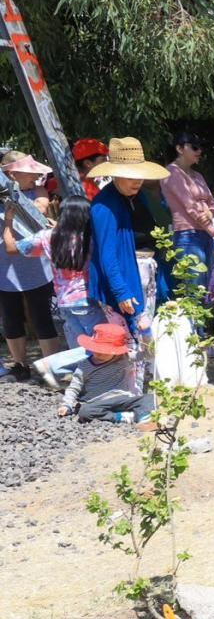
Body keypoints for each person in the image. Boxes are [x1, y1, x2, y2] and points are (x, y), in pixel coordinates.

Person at [5, 196, 118, 387]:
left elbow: (12, 248)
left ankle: (82, 385)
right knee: (101, 345)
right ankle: (52, 364)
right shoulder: (90, 237)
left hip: (64, 302)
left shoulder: (48, 236)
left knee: (81, 346)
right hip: (86, 300)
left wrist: (9, 221)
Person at [86, 138, 165, 342]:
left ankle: (143, 375)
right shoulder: (104, 206)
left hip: (144, 272)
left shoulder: (138, 197)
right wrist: (121, 291)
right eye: (131, 175)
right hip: (123, 279)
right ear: (115, 174)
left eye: (139, 175)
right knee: (127, 340)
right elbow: (107, 255)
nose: (137, 180)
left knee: (143, 336)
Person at [1, 153, 62, 379]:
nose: (37, 175)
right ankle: (19, 365)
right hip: (4, 266)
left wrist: (12, 196)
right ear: (12, 173)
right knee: (10, 316)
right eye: (31, 171)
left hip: (36, 264)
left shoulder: (38, 191)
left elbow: (40, 211)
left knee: (42, 315)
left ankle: (52, 368)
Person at [161, 130, 214, 299]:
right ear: (180, 149)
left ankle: (200, 327)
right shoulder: (171, 172)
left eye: (200, 147)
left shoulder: (197, 175)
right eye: (195, 147)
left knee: (205, 291)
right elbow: (191, 209)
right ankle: (193, 327)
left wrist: (210, 213)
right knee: (194, 293)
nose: (199, 151)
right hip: (187, 236)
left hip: (204, 235)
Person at [56, 322, 155, 425]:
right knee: (84, 412)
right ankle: (124, 417)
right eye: (96, 348)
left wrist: (146, 333)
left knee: (150, 398)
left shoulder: (125, 357)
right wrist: (66, 404)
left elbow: (149, 354)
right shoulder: (85, 366)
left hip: (122, 399)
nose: (99, 353)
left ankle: (144, 419)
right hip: (97, 403)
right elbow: (74, 387)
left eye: (105, 351)